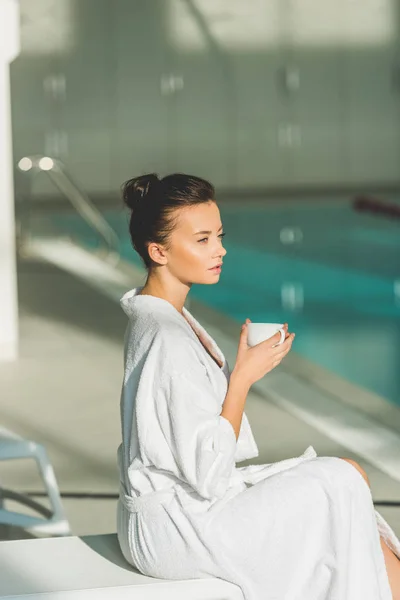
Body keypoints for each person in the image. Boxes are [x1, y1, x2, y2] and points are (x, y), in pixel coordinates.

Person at [116, 172, 400, 600]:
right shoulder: (167, 337)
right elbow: (209, 476)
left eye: (220, 236)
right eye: (204, 240)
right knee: (340, 482)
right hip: (176, 530)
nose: (221, 250)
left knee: (346, 480)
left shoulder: (158, 316)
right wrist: (243, 378)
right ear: (159, 250)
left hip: (172, 514)